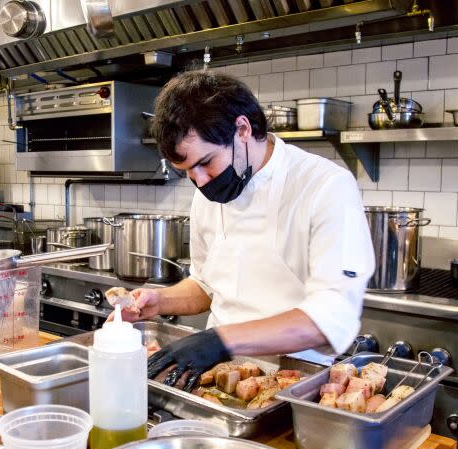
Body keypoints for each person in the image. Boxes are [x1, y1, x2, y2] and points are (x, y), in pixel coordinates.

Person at [118, 70, 375, 385]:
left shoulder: (324, 185)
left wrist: (220, 340)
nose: (199, 182)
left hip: (295, 381)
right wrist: (160, 301)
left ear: (242, 129)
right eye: (186, 171)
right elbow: (207, 285)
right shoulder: (210, 192)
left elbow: (331, 317)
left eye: (205, 163)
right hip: (219, 375)